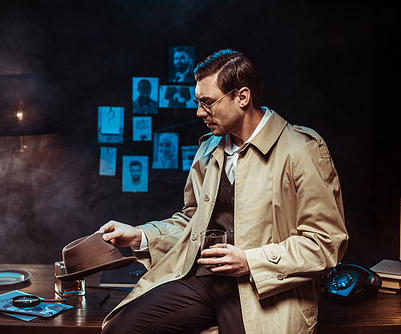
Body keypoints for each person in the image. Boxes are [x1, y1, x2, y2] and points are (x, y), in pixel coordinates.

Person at [100, 49, 348, 334]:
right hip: (203, 281)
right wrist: (141, 235)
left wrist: (249, 261)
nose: (199, 112)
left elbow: (327, 242)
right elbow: (192, 221)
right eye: (198, 102)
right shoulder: (208, 148)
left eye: (207, 102)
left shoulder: (301, 150)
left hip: (264, 291)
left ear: (242, 97)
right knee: (119, 329)